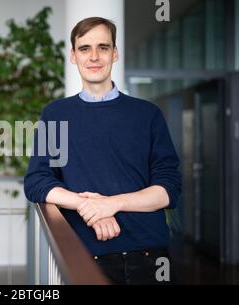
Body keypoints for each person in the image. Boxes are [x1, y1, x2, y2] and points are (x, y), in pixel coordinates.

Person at [23, 17, 181, 285]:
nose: (94, 56)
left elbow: (169, 188)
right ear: (73, 56)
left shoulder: (147, 114)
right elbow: (37, 181)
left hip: (148, 255)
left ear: (115, 53)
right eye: (84, 48)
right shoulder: (56, 114)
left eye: (103, 47)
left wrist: (111, 203)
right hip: (84, 253)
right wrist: (88, 206)